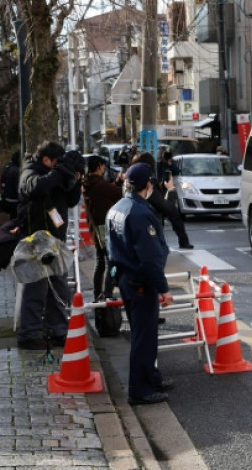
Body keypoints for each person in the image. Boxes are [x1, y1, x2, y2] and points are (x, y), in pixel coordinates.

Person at [106, 162, 175, 405]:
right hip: (141, 281)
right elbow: (150, 258)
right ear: (148, 185)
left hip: (126, 277)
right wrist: (164, 288)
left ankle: (151, 377)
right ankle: (140, 389)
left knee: (142, 332)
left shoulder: (117, 208)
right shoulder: (140, 213)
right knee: (144, 336)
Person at [14, 141, 83, 350]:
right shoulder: (30, 171)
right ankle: (29, 335)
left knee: (59, 289)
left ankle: (58, 332)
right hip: (35, 241)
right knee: (36, 287)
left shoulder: (57, 174)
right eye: (56, 163)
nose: (58, 166)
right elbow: (36, 186)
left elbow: (71, 201)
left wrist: (75, 179)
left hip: (55, 240)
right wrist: (60, 173)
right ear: (46, 160)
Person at [131, 152, 193, 250]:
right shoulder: (148, 182)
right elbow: (166, 207)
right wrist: (171, 190)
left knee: (175, 215)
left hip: (142, 221)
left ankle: (184, 241)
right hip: (151, 223)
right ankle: (183, 241)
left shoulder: (130, 181)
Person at [82, 155, 122, 301]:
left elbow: (110, 190)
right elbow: (119, 193)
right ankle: (108, 292)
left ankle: (97, 294)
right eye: (103, 166)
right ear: (99, 167)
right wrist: (122, 182)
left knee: (100, 262)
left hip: (95, 229)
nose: (104, 169)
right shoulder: (101, 185)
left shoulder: (88, 184)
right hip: (105, 228)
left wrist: (117, 181)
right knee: (112, 262)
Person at [0, 150, 22, 219]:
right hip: (15, 199)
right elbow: (17, 186)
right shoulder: (16, 171)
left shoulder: (7, 167)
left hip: (7, 197)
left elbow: (2, 181)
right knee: (16, 217)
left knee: (12, 217)